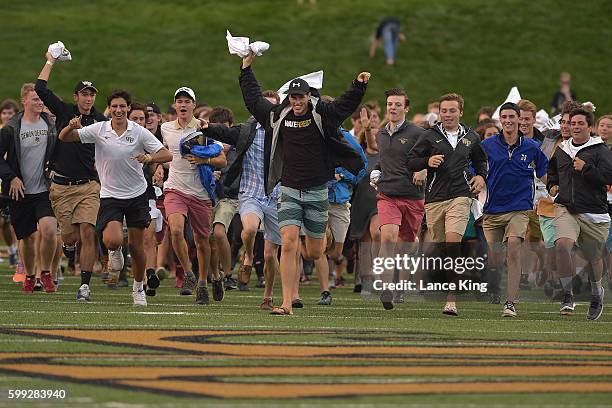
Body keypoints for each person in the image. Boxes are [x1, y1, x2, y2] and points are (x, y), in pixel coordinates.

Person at [239, 52, 368, 315]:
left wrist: (358, 85)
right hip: (288, 188)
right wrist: (246, 69)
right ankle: (286, 303)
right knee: (288, 243)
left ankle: (323, 236)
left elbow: (344, 105)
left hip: (317, 189)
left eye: (301, 97)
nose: (297, 101)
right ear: (289, 98)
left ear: (309, 97)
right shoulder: (278, 115)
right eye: (293, 97)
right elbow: (253, 101)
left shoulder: (323, 115)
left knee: (314, 251)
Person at [58, 89, 172, 306]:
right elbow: (66, 138)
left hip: (137, 194)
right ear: (109, 109)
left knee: (138, 247)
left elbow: (168, 155)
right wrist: (70, 127)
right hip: (110, 194)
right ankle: (115, 251)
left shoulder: (138, 131)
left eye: (123, 106)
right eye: (114, 106)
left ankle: (138, 288)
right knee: (112, 239)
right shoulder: (100, 129)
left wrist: (148, 157)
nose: (118, 110)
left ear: (128, 108)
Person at [35, 51, 108, 301]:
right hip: (62, 186)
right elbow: (40, 88)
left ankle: (85, 285)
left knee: (88, 231)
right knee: (71, 237)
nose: (88, 98)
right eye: (84, 94)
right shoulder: (65, 110)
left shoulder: (101, 120)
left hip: (88, 185)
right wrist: (50, 61)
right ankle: (68, 245)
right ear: (76, 97)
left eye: (92, 94)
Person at [407, 93, 487, 316]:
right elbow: (410, 161)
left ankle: (451, 300)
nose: (448, 114)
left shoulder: (471, 137)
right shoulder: (429, 136)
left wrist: (481, 176)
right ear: (439, 113)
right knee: (439, 247)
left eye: (453, 110)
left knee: (454, 244)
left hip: (461, 196)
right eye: (444, 111)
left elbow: (481, 161)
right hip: (435, 199)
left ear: (461, 112)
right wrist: (426, 162)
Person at [201, 92, 283, 310]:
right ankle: (247, 256)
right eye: (264, 107)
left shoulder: (284, 131)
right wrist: (206, 127)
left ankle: (268, 296)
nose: (268, 111)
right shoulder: (247, 130)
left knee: (269, 255)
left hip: (276, 196)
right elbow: (225, 132)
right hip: (251, 193)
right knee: (248, 230)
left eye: (273, 107)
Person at [480, 102, 548, 317]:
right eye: (504, 117)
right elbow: (475, 168)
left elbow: (545, 173)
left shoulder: (532, 147)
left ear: (520, 120)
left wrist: (558, 191)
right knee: (496, 258)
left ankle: (510, 303)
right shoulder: (487, 145)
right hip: (492, 209)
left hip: (519, 208)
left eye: (512, 116)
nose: (508, 120)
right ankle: (496, 287)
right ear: (500, 120)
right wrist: (476, 178)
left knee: (514, 250)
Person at [161, 87, 227, 305]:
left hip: (199, 192)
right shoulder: (165, 128)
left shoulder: (203, 128)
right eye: (179, 101)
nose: (182, 105)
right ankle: (189, 274)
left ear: (193, 105)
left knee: (202, 241)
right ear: (174, 105)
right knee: (176, 229)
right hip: (175, 188)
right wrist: (159, 167)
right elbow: (164, 153)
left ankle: (209, 279)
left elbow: (222, 161)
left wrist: (204, 161)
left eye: (187, 101)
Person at [547, 107, 612, 320]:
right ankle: (567, 295)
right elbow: (552, 172)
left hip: (594, 211)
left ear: (589, 127)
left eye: (579, 124)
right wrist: (553, 185)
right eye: (571, 123)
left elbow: (608, 177)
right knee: (563, 245)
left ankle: (596, 294)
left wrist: (586, 169)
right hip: (566, 208)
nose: (574, 127)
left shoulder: (600, 149)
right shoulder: (562, 149)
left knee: (594, 258)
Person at [369, 88, 426, 310]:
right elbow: (384, 159)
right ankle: (387, 288)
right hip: (388, 194)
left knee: (408, 244)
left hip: (412, 195)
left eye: (397, 104)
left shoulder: (417, 133)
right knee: (388, 238)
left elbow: (432, 155)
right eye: (390, 104)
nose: (392, 107)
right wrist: (377, 171)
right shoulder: (381, 134)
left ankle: (403, 280)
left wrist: (424, 170)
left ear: (406, 108)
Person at [0, 83, 58, 294]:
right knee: (27, 237)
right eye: (35, 99)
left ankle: (46, 274)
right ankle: (30, 276)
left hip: (45, 189)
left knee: (49, 230)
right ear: (24, 101)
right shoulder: (11, 128)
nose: (40, 102)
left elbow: (61, 150)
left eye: (41, 99)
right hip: (20, 190)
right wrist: (12, 177)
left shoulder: (50, 124)